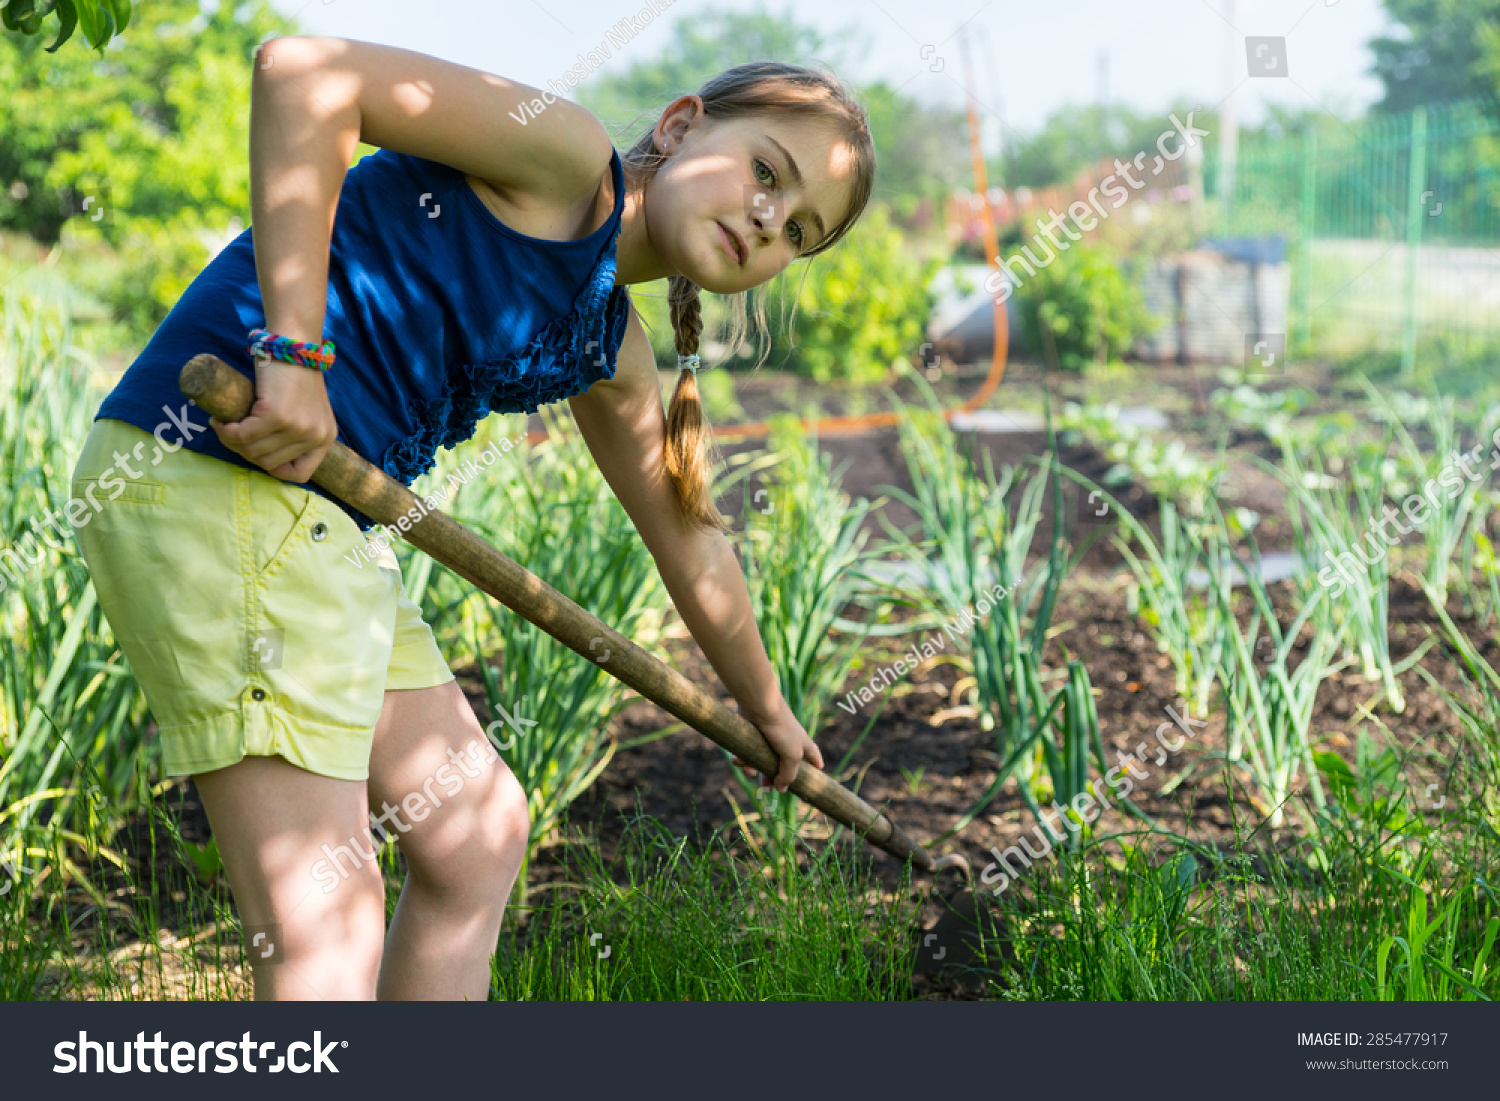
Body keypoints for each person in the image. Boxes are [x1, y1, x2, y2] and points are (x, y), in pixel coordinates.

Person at [68, 36, 876, 1001]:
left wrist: (768, 710)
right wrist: (291, 350)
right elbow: (302, 74)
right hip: (222, 466)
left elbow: (687, 536)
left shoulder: (609, 346)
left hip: (316, 523)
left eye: (799, 230)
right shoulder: (565, 161)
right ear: (680, 124)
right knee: (323, 919)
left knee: (474, 836)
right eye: (765, 172)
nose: (767, 218)